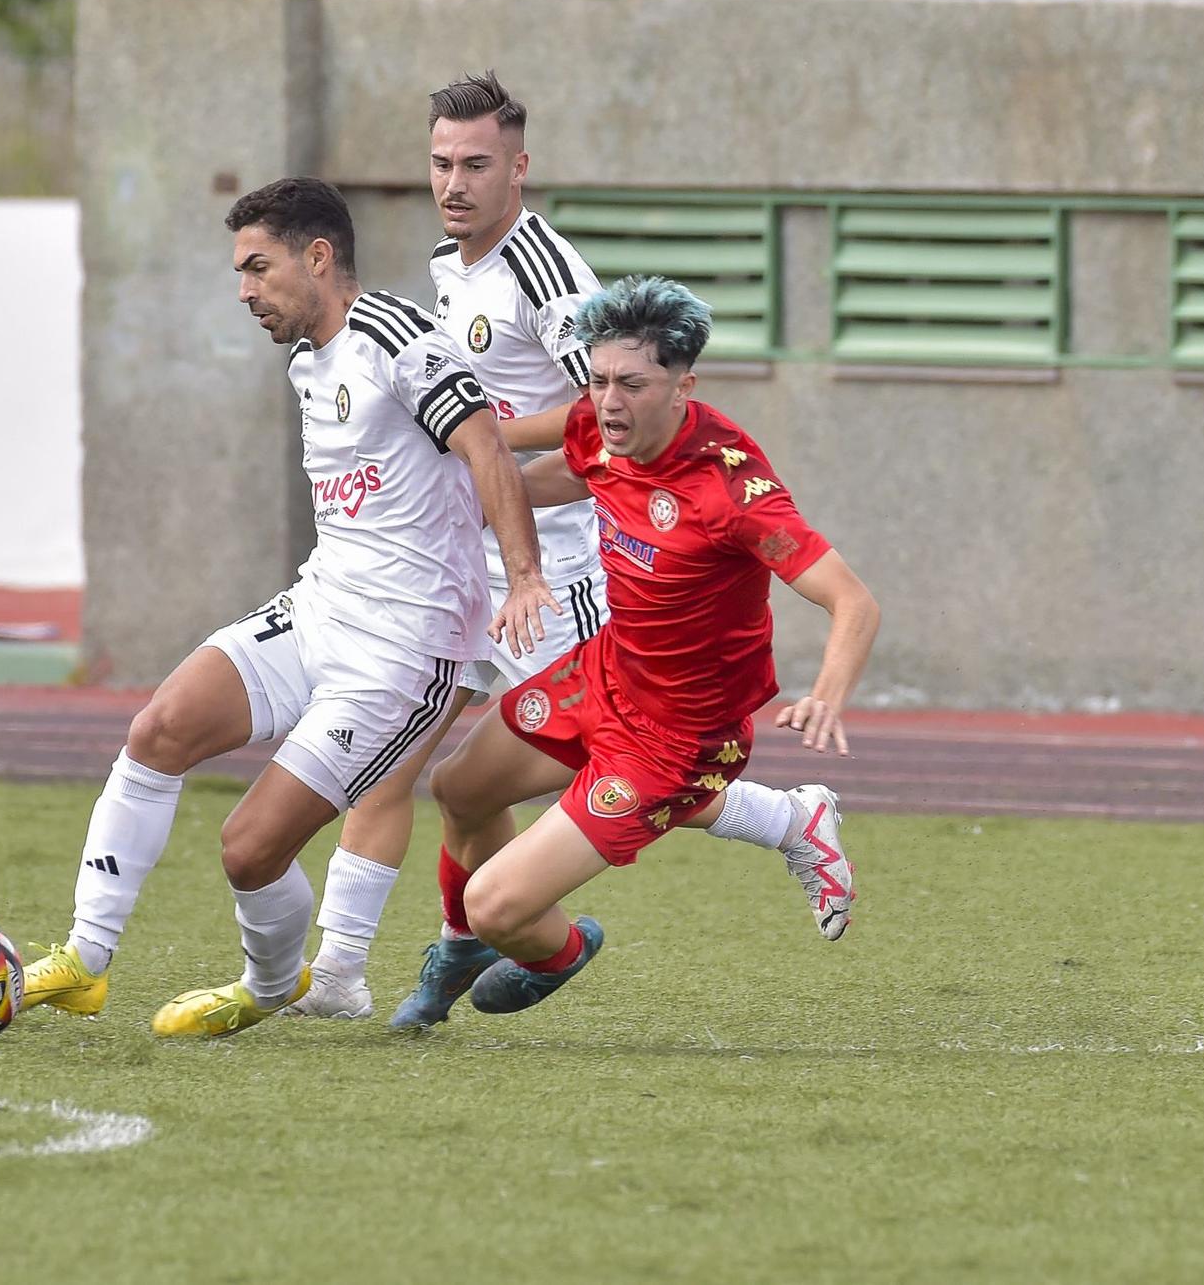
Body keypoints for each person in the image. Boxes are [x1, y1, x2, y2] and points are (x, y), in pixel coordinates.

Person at [285, 71, 852, 1022]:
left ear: (520, 168)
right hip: (479, 562)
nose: (454, 183)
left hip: (562, 575)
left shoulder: (544, 274)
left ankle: (780, 820)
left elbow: (602, 414)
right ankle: (437, 948)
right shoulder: (451, 266)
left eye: (476, 164)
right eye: (440, 163)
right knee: (449, 779)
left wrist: (481, 444)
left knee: (633, 757)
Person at [18, 176, 559, 1039]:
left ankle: (276, 984)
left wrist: (524, 574)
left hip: (403, 651)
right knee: (158, 728)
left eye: (257, 268)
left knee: (248, 848)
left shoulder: (396, 335)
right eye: (239, 273)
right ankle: (85, 959)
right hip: (317, 609)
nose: (244, 292)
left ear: (318, 257)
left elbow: (487, 445)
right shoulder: (309, 360)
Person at [387, 274, 880, 1030]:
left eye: (633, 384)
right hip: (605, 673)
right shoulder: (598, 421)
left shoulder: (731, 491)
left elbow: (854, 601)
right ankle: (460, 948)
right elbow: (560, 461)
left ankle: (557, 951)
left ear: (685, 384)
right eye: (600, 379)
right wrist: (471, 468)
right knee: (458, 789)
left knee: (497, 903)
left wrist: (828, 693)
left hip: (677, 739)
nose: (610, 401)